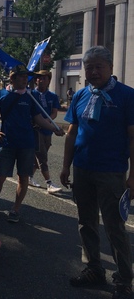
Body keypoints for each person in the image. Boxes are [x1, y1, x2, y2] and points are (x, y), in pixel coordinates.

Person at [60, 46, 134, 299]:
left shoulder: (127, 96)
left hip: (112, 171)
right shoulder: (80, 95)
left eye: (98, 66)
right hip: (82, 169)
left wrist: (133, 175)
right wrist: (65, 165)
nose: (93, 71)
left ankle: (124, 278)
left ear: (111, 68)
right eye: (88, 67)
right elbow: (71, 133)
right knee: (86, 222)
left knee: (115, 227)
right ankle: (93, 268)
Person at [0, 64, 64, 223]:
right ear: (12, 78)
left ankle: (15, 209)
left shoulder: (31, 96)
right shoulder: (1, 94)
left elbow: (39, 119)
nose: (24, 79)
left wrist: (54, 128)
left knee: (23, 178)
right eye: (21, 76)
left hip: (27, 144)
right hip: (7, 143)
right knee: (0, 177)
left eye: (26, 77)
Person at [28, 70, 62, 193]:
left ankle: (29, 176)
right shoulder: (31, 94)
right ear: (35, 80)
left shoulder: (53, 96)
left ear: (49, 80)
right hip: (35, 130)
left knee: (40, 156)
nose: (41, 80)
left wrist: (46, 121)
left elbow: (54, 112)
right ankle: (49, 183)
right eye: (39, 78)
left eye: (44, 78)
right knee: (42, 156)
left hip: (48, 130)